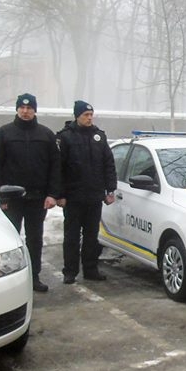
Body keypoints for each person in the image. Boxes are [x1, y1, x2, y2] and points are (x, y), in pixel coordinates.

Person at [0, 93, 60, 292]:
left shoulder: (46, 135)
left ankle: (33, 276)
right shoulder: (4, 133)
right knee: (9, 240)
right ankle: (7, 280)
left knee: (35, 238)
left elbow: (55, 167)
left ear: (35, 110)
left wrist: (52, 194)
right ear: (17, 109)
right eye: (22, 108)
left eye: (29, 108)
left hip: (38, 198)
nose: (26, 111)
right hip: (11, 199)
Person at [56, 100, 117, 283]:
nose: (89, 118)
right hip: (73, 197)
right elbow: (58, 168)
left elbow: (108, 164)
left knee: (92, 236)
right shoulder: (65, 137)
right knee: (72, 237)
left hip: (94, 196)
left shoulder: (99, 136)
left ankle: (91, 269)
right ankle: (70, 271)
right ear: (77, 116)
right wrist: (60, 194)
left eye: (91, 115)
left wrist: (110, 189)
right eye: (86, 115)